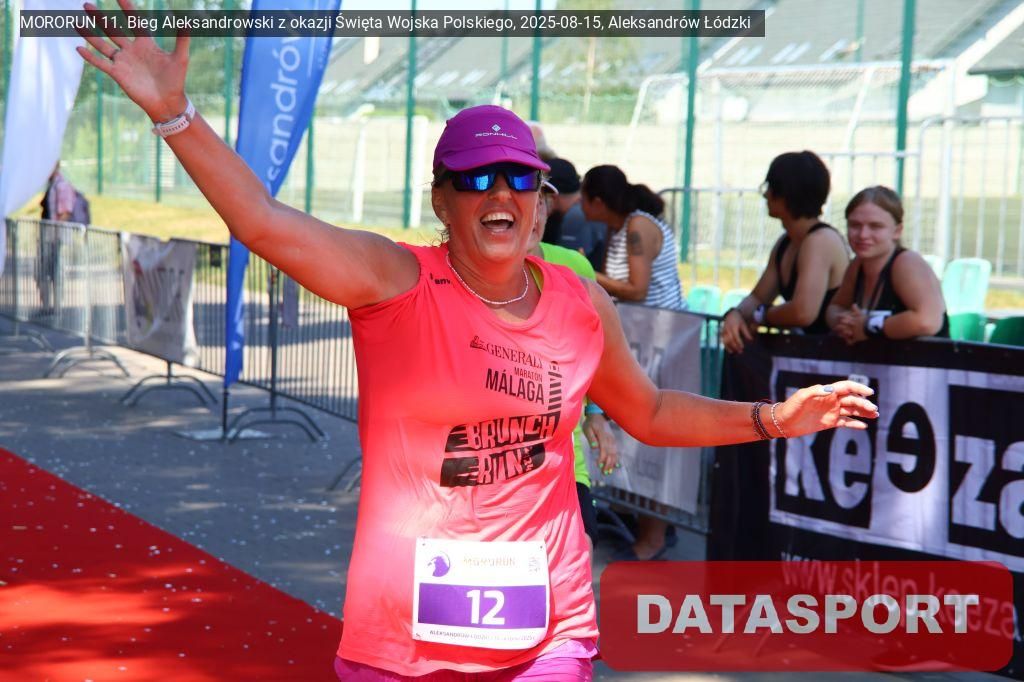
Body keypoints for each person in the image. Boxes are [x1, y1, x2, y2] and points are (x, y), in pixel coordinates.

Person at [76, 15, 878, 679]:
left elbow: (653, 411)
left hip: (548, 627)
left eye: (520, 179)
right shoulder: (395, 281)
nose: (501, 192)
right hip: (404, 634)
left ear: (541, 204)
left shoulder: (579, 300)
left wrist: (774, 418)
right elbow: (261, 221)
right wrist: (176, 116)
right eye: (476, 177)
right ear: (442, 200)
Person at [534, 180, 618, 556]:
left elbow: (595, 349)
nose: (529, 212)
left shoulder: (574, 267)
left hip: (566, 469)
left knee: (577, 559)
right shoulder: (462, 277)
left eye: (538, 200)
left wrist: (596, 412)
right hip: (491, 482)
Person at [720, 151, 849, 354]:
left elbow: (802, 312)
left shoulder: (820, 241)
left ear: (786, 194)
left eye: (770, 188)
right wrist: (735, 314)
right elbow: (757, 298)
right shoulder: (786, 242)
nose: (765, 195)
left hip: (832, 359)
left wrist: (759, 316)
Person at [826, 186, 949, 343]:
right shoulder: (858, 265)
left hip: (927, 359)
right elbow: (835, 307)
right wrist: (844, 322)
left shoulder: (907, 263)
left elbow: (927, 321)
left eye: (875, 226)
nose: (863, 235)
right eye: (855, 225)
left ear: (897, 231)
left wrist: (867, 326)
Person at [581, 165, 686, 311]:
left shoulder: (638, 225)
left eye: (583, 199)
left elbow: (638, 292)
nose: (580, 204)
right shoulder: (614, 227)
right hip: (634, 319)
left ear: (598, 203)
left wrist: (584, 271)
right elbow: (610, 283)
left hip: (660, 321)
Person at [545, 158, 608, 273]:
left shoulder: (576, 215)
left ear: (552, 195)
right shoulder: (579, 210)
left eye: (541, 193)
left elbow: (565, 268)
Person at [36, 163, 77, 313]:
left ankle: (57, 306)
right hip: (47, 236)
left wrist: (55, 232)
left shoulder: (62, 186)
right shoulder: (51, 186)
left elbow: (65, 212)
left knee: (56, 273)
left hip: (55, 237)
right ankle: (46, 306)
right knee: (43, 272)